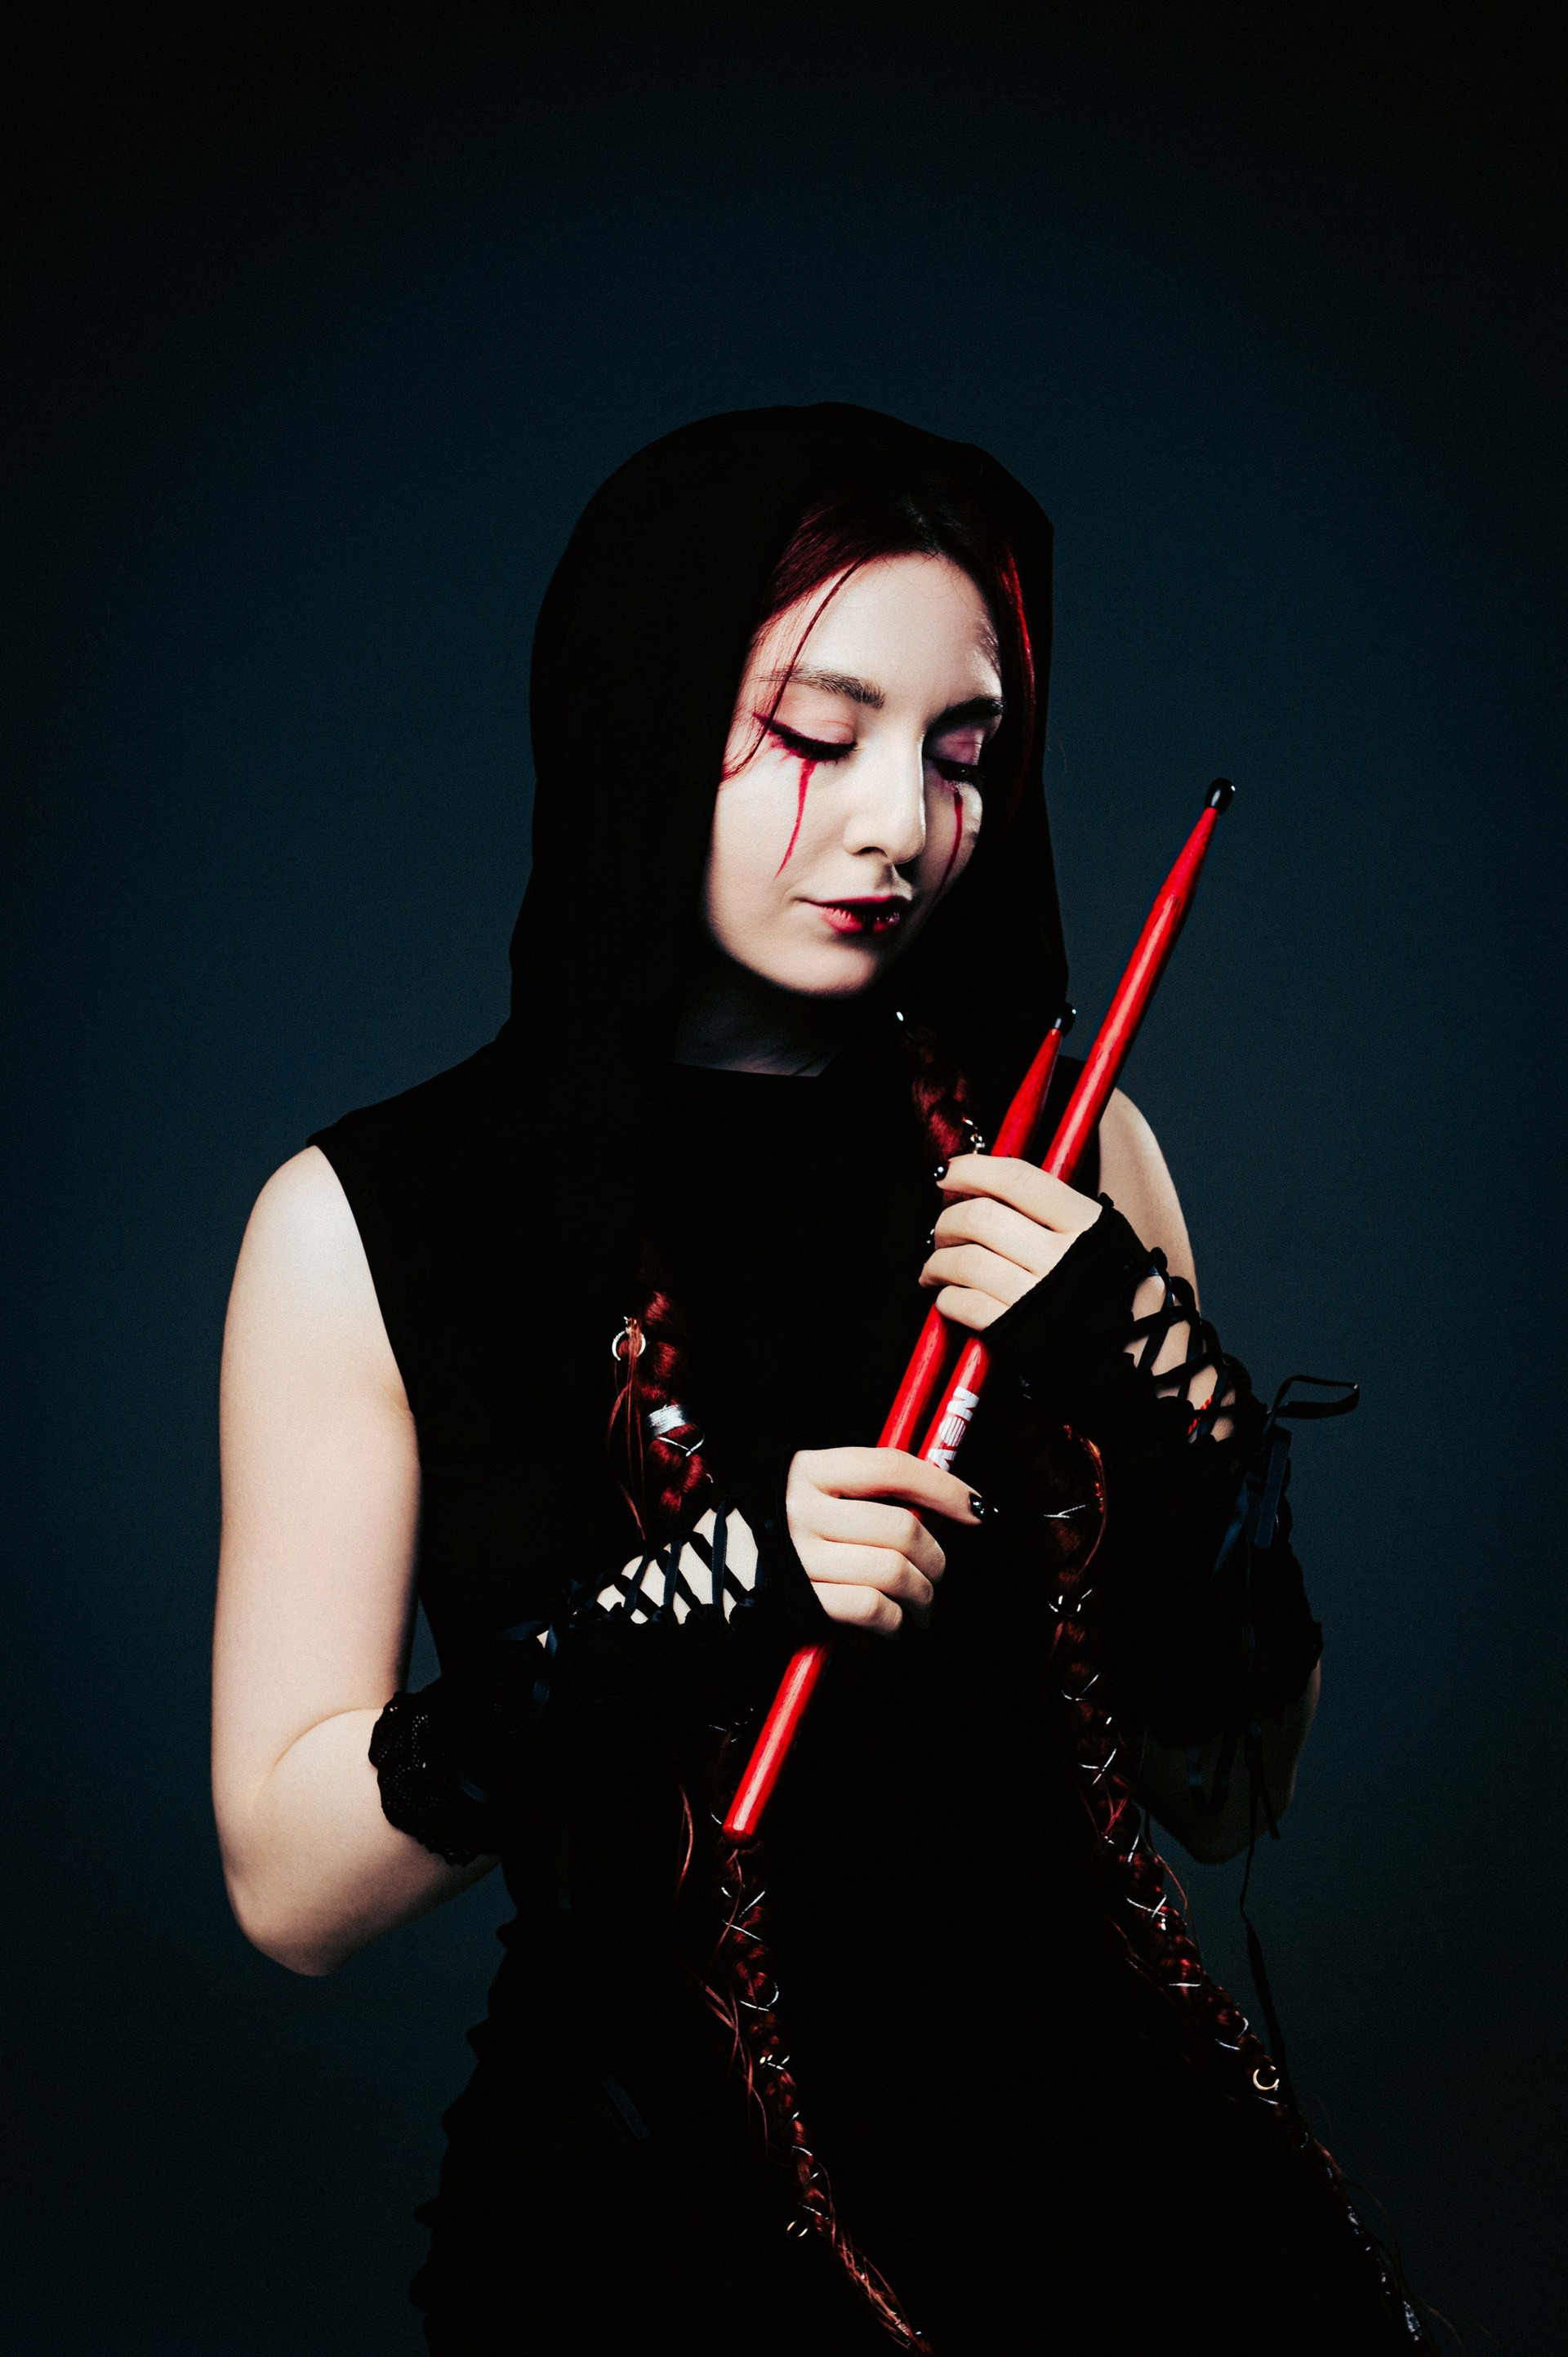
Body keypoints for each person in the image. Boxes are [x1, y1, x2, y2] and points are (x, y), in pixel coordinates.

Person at [212, 405, 1426, 2355]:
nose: (901, 826)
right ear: (641, 715)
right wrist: (694, 1599)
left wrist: (1167, 1391)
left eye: (964, 752)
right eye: (812, 736)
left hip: (1122, 2198)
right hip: (660, 2211)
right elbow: (291, 1887)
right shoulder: (371, 1218)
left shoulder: (1070, 1151)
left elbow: (1226, 1792)